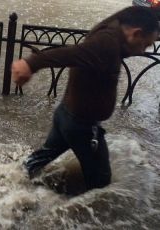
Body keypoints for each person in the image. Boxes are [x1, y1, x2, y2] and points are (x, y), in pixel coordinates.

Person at [11, 6, 159, 191]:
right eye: (145, 45)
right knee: (101, 184)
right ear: (136, 33)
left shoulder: (111, 31)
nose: (143, 51)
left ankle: (12, 182)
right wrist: (30, 64)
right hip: (81, 126)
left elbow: (90, 53)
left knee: (37, 161)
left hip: (66, 115)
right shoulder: (106, 44)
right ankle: (59, 209)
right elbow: (71, 54)